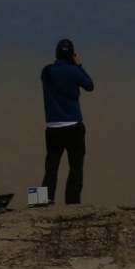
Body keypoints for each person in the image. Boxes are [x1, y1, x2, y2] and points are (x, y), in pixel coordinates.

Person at [40, 38, 94, 204]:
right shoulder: (74, 71)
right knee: (75, 167)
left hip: (53, 128)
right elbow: (90, 85)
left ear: (56, 54)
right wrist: (78, 65)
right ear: (72, 55)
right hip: (73, 127)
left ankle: (44, 201)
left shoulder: (47, 71)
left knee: (51, 166)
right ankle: (72, 203)